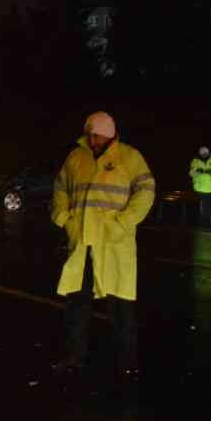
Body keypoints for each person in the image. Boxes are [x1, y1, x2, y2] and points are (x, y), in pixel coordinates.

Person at [51, 111, 155, 381]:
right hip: (82, 243)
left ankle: (127, 362)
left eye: (94, 134)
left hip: (113, 244)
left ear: (107, 133)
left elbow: (146, 192)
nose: (91, 138)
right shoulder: (76, 157)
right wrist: (65, 218)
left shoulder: (130, 157)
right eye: (89, 133)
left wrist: (124, 222)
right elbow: (60, 188)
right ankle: (74, 357)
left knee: (121, 306)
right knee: (77, 302)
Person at [189, 146, 211, 226]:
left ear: (208, 152)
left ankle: (210, 224)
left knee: (209, 207)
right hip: (199, 189)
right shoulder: (195, 161)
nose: (204, 154)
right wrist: (198, 171)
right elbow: (191, 173)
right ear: (199, 153)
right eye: (202, 153)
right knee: (202, 207)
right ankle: (202, 224)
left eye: (206, 152)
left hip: (210, 189)